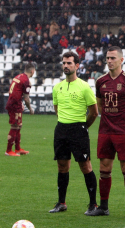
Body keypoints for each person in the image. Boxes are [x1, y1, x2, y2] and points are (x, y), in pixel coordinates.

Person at [86, 46, 125, 217]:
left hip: (123, 132)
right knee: (104, 168)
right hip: (105, 130)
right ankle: (103, 207)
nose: (110, 61)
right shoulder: (100, 81)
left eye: (113, 58)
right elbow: (99, 103)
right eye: (108, 58)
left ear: (121, 60)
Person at [49, 52, 99, 215]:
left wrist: (83, 127)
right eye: (64, 63)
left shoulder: (84, 86)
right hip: (61, 129)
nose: (66, 66)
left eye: (69, 63)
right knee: (62, 166)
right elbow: (57, 110)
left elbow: (94, 112)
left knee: (85, 166)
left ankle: (93, 204)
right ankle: (61, 203)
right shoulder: (57, 87)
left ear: (77, 66)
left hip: (79, 130)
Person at [5, 63, 35, 157]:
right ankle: (8, 150)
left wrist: (20, 102)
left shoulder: (18, 76)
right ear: (32, 71)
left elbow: (15, 91)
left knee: (19, 126)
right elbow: (26, 98)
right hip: (14, 105)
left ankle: (17, 149)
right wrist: (30, 109)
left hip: (14, 103)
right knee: (14, 126)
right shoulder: (26, 81)